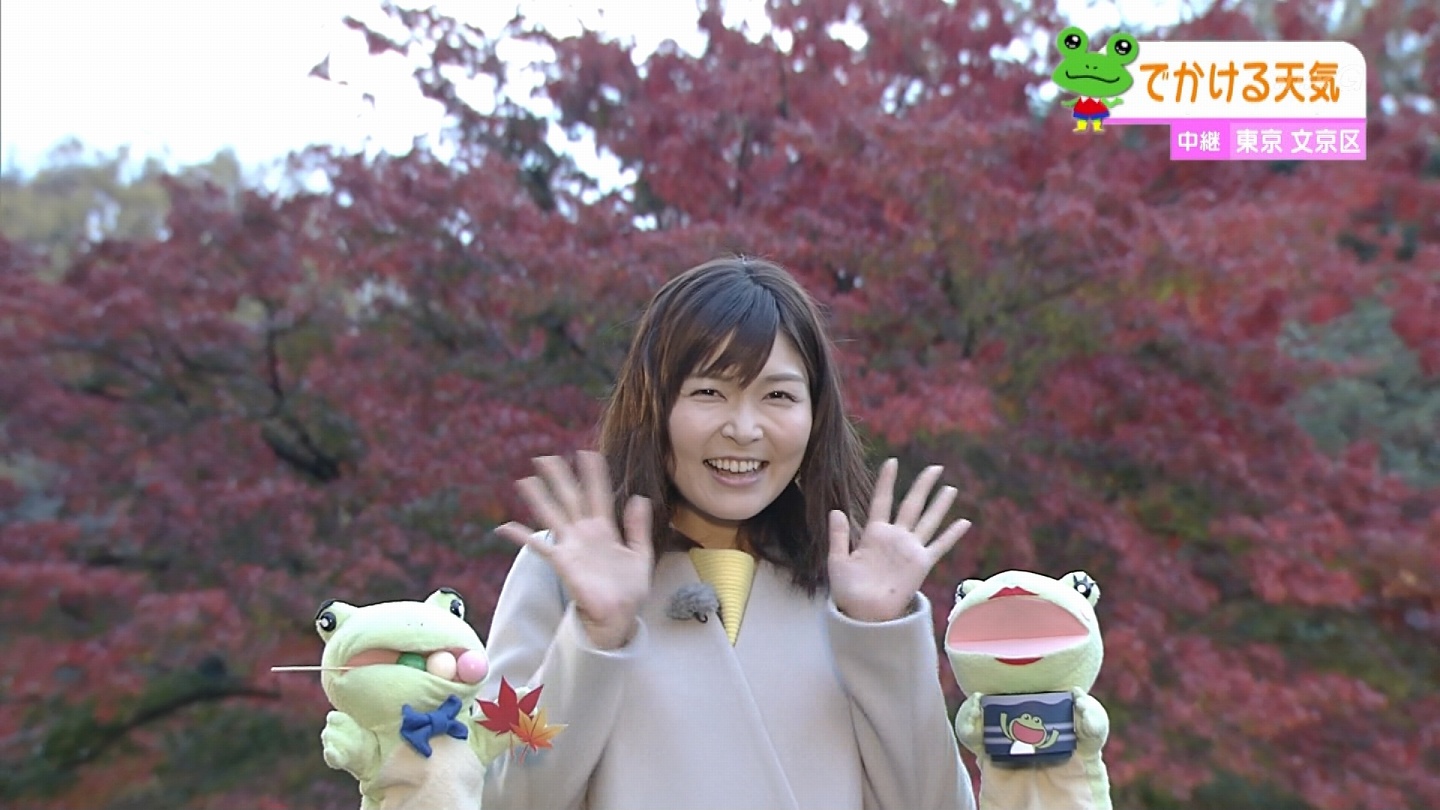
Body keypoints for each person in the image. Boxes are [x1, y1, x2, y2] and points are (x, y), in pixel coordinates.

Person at [481, 256, 977, 810]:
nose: (743, 429)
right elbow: (497, 797)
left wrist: (880, 634)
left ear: (817, 415)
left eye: (778, 396)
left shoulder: (858, 586)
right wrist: (596, 636)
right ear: (653, 403)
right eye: (709, 393)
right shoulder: (563, 572)